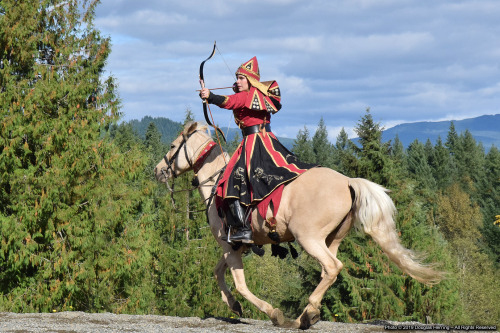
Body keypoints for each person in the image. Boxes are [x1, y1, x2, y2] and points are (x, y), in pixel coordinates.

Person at [199, 57, 315, 244]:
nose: (237, 81)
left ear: (250, 81)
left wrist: (210, 96)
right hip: (267, 140)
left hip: (254, 143)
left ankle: (243, 229)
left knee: (229, 180)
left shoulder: (248, 95)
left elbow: (228, 101)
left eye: (241, 78)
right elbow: (233, 100)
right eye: (237, 78)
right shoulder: (256, 96)